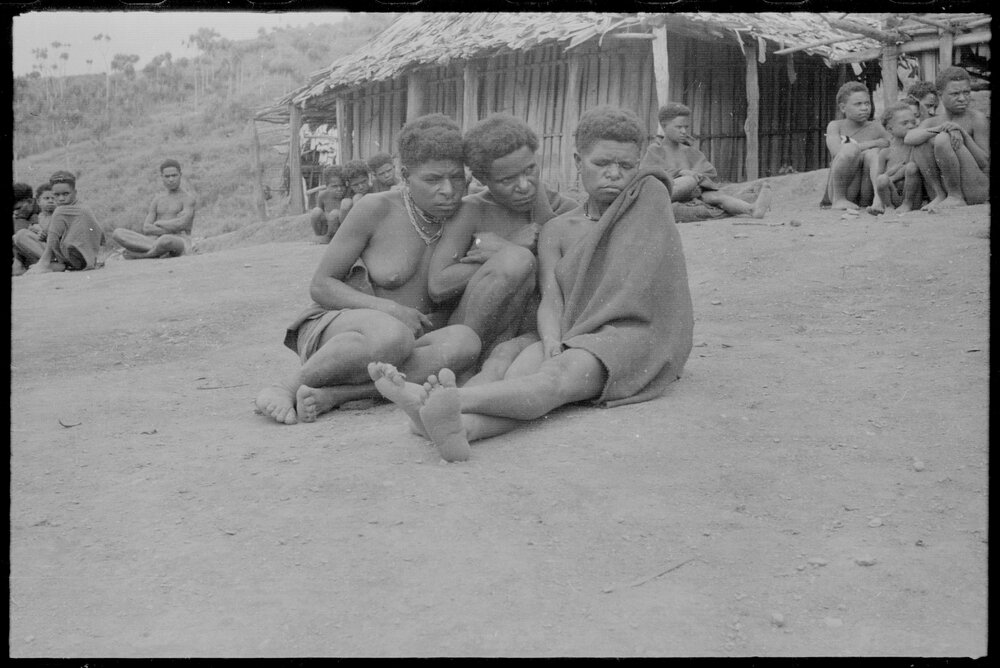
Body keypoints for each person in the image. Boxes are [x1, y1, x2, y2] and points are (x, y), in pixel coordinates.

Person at [370, 106, 693, 462]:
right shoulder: (557, 229)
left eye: (627, 166)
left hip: (629, 335)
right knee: (515, 367)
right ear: (577, 160)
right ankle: (459, 429)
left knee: (553, 380)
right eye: (601, 164)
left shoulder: (645, 199)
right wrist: (553, 339)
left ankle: (443, 401)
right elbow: (551, 299)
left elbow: (658, 178)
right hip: (571, 332)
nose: (614, 175)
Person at [255, 114, 481, 425]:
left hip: (402, 346)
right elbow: (321, 285)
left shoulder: (466, 217)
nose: (448, 190)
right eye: (432, 180)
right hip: (344, 331)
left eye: (457, 178)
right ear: (404, 175)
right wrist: (389, 308)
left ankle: (338, 395)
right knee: (393, 335)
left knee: (466, 342)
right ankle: (288, 385)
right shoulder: (376, 208)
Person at [428, 113, 579, 358]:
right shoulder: (472, 211)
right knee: (516, 260)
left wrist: (506, 246)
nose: (523, 185)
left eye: (530, 170)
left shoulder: (565, 209)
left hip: (531, 334)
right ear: (482, 179)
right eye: (507, 179)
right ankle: (462, 362)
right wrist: (508, 252)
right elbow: (437, 285)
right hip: (472, 333)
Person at [643, 103, 772, 220]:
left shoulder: (691, 152)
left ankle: (752, 209)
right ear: (664, 126)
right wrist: (681, 172)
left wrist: (698, 180)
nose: (683, 131)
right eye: (678, 127)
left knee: (718, 197)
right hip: (668, 193)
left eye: (685, 127)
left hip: (695, 194)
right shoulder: (656, 150)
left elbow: (709, 173)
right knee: (688, 181)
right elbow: (648, 173)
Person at [904, 66, 989, 211]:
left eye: (966, 92)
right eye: (955, 94)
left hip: (976, 188)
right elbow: (909, 138)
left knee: (943, 138)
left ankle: (956, 197)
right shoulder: (934, 121)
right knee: (922, 141)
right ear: (940, 95)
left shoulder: (976, 118)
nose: (962, 98)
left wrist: (962, 133)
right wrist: (941, 128)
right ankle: (940, 195)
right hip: (946, 189)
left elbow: (984, 162)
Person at [823, 82, 891, 210]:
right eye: (858, 104)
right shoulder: (835, 126)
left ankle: (878, 199)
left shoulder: (876, 127)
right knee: (850, 148)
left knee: (873, 154)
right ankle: (839, 200)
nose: (864, 108)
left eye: (867, 103)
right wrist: (874, 143)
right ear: (843, 108)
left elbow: (892, 145)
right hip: (845, 189)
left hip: (866, 190)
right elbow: (836, 151)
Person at [23, 170, 105, 274]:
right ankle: (53, 265)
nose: (61, 199)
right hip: (84, 257)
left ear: (75, 193)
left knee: (22, 236)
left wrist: (44, 261)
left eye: (66, 194)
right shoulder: (79, 207)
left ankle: (45, 263)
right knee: (22, 235)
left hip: (79, 258)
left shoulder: (63, 210)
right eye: (56, 195)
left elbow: (54, 236)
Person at [111, 159, 196, 259]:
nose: (171, 179)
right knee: (118, 233)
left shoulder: (188, 199)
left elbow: (181, 224)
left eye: (174, 175)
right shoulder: (157, 199)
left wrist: (159, 223)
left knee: (166, 240)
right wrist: (169, 228)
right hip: (155, 240)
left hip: (178, 240)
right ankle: (158, 250)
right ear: (162, 177)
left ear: (180, 175)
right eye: (167, 176)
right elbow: (146, 228)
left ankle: (145, 254)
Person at [867, 102, 924, 216]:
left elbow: (909, 169)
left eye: (913, 122)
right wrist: (890, 175)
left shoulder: (914, 147)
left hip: (912, 197)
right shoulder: (885, 152)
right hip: (893, 194)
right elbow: (879, 177)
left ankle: (907, 204)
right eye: (905, 123)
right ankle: (888, 206)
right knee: (882, 179)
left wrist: (891, 177)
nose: (911, 126)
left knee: (911, 167)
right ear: (890, 129)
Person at [12, 181, 57, 273]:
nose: (15, 213)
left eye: (18, 208)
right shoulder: (21, 216)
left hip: (54, 253)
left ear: (31, 201)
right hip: (38, 254)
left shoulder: (47, 209)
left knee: (20, 235)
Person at [311, 165, 348, 243]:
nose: (339, 189)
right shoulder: (322, 195)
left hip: (340, 228)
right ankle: (319, 236)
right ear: (327, 186)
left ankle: (330, 238)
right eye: (334, 186)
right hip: (327, 226)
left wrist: (333, 215)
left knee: (335, 213)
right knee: (316, 211)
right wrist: (328, 216)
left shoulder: (347, 195)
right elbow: (320, 213)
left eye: (342, 185)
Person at [337, 159, 373, 223]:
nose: (361, 187)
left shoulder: (375, 188)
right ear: (349, 185)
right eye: (355, 185)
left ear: (368, 177)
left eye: (364, 181)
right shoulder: (346, 194)